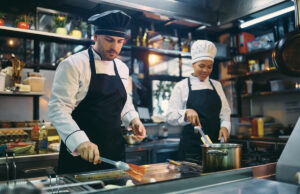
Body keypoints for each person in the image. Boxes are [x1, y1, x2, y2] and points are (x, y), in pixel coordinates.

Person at [48, 10, 146, 174]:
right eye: (109, 40)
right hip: (81, 154)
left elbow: (123, 102)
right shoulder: (73, 64)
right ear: (95, 37)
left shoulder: (121, 68)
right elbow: (58, 108)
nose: (115, 47)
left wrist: (133, 119)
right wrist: (79, 141)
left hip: (114, 154)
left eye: (120, 41)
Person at [166, 40, 231, 161]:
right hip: (191, 151)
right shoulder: (182, 86)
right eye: (201, 66)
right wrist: (185, 113)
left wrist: (225, 126)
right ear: (193, 64)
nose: (206, 70)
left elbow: (225, 112)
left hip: (215, 147)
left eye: (209, 66)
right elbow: (169, 116)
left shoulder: (216, 85)